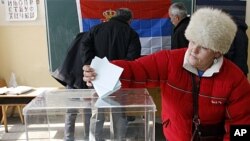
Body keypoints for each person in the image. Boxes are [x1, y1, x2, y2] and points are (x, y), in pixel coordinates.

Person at [83, 8, 250, 141]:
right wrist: (102, 72)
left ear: (217, 52)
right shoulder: (170, 60)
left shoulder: (235, 80)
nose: (193, 50)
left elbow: (242, 124)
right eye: (192, 41)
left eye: (204, 47)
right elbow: (135, 70)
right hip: (175, 136)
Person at [82, 8, 141, 141]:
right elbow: (133, 59)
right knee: (119, 114)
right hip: (118, 80)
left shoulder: (96, 29)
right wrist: (115, 71)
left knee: (97, 114)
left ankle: (94, 138)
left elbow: (85, 45)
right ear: (129, 20)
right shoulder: (131, 33)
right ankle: (119, 139)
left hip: (96, 77)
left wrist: (90, 65)